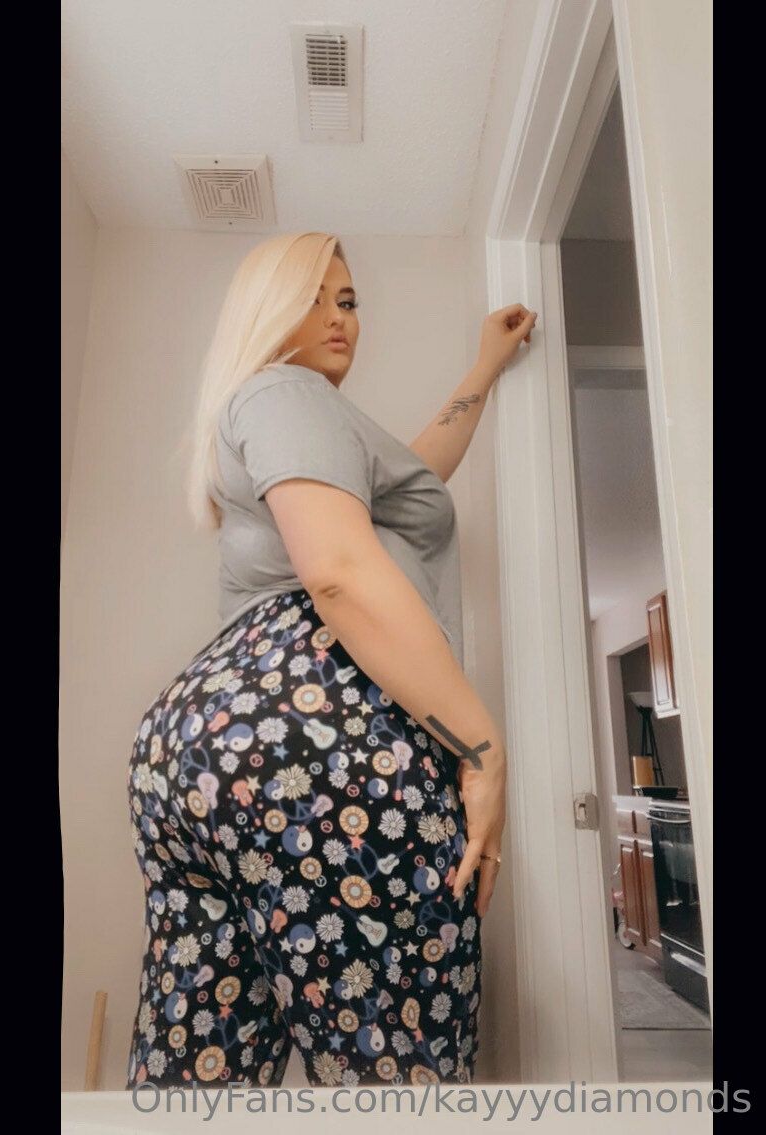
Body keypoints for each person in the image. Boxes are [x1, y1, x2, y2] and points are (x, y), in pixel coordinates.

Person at [124, 232, 537, 1090]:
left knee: (198, 1072)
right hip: (317, 733)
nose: (338, 317)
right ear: (264, 313)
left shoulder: (307, 430)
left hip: (196, 757)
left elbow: (418, 478)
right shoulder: (285, 389)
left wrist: (483, 368)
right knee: (393, 1067)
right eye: (310, 298)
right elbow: (339, 571)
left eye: (346, 300)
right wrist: (479, 745)